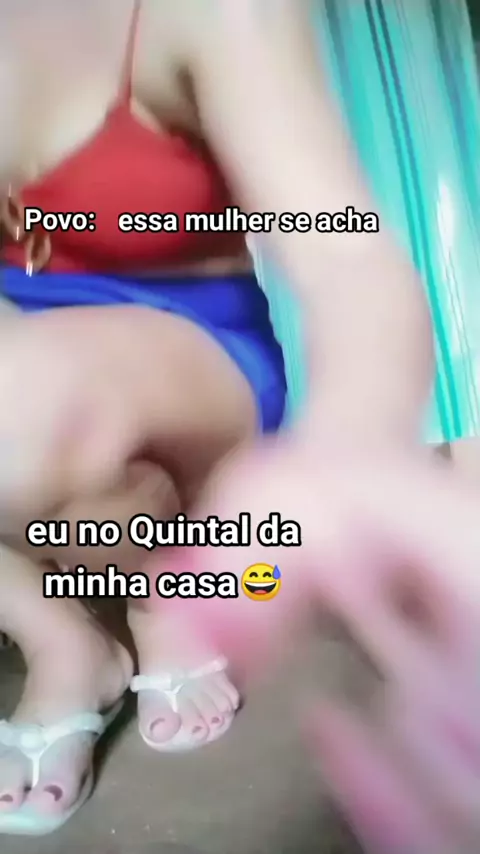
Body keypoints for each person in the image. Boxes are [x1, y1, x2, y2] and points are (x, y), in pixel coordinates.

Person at [0, 0, 477, 843]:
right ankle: (59, 640)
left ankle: (164, 595)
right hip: (29, 354)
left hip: (198, 352)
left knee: (21, 406)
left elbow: (340, 253)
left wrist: (347, 449)